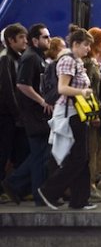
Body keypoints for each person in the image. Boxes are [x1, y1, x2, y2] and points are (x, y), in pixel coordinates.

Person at [37, 27, 96, 210]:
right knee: (78, 158)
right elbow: (63, 88)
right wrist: (83, 92)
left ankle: (79, 200)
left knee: (82, 157)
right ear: (76, 44)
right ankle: (49, 191)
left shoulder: (75, 60)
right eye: (85, 45)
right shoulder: (67, 61)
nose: (88, 49)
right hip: (71, 113)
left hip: (77, 113)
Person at [3, 24, 51, 206]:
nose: (49, 40)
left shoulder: (37, 57)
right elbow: (22, 84)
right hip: (34, 115)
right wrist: (42, 101)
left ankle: (16, 184)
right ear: (35, 40)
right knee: (40, 155)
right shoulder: (30, 58)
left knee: (41, 154)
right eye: (45, 37)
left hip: (38, 115)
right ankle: (30, 191)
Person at [0, 23, 29, 198]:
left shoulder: (17, 57)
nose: (25, 41)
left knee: (18, 151)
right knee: (3, 152)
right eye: (21, 38)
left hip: (13, 115)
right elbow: (7, 89)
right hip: (6, 115)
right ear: (11, 40)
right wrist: (17, 113)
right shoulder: (6, 59)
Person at [83, 27, 101, 203]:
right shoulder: (89, 64)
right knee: (92, 149)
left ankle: (93, 182)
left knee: (96, 148)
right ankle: (90, 185)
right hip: (92, 111)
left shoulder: (92, 62)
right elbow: (90, 91)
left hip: (94, 109)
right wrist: (93, 115)